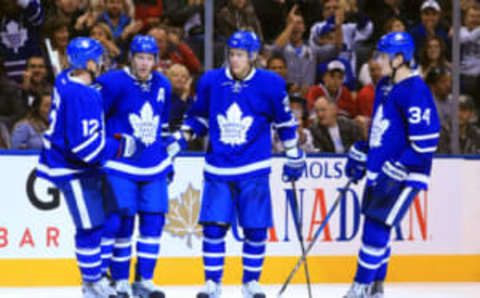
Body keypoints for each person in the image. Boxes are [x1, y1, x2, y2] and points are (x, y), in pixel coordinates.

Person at [177, 30, 305, 298]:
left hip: (253, 169)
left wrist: (293, 153)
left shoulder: (271, 83)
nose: (234, 60)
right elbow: (199, 117)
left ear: (254, 56)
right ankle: (213, 283)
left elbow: (284, 122)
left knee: (256, 229)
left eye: (240, 55)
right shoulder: (211, 81)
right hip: (218, 168)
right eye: (232, 54)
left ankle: (250, 283)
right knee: (213, 227)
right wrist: (182, 136)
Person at [36, 37, 141, 298]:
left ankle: (97, 275)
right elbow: (87, 150)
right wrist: (121, 146)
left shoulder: (66, 80)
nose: (103, 63)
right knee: (90, 227)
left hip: (80, 165)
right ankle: (92, 284)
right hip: (71, 168)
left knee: (112, 218)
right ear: (88, 63)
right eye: (98, 58)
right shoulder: (83, 95)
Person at [343, 32, 440, 298]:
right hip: (383, 170)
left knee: (376, 227)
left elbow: (426, 142)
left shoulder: (416, 91)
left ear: (400, 59)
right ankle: (375, 288)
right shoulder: (385, 86)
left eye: (383, 56)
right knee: (375, 226)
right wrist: (364, 152)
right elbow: (383, 131)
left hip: (405, 174)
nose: (377, 61)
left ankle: (360, 288)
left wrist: (397, 168)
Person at [95, 34, 174, 298]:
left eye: (149, 58)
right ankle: (117, 280)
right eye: (140, 57)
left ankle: (145, 280)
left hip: (153, 167)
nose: (144, 63)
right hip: (120, 165)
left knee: (153, 222)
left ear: (156, 60)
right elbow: (95, 119)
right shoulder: (111, 82)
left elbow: (162, 125)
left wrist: (168, 155)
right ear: (131, 57)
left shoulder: (163, 84)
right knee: (119, 223)